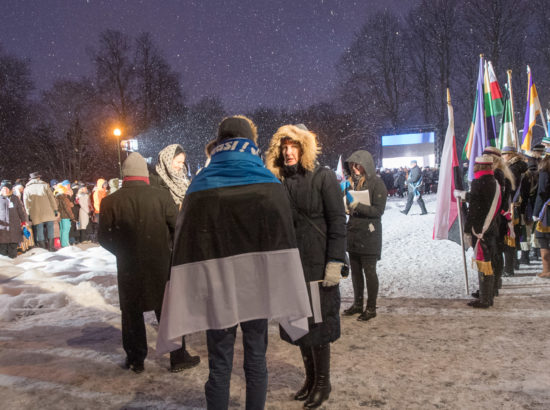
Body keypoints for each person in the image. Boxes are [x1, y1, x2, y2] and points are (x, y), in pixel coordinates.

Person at [156, 116, 311, 410]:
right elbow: (285, 240)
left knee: (220, 364)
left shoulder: (199, 185)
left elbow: (185, 241)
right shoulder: (269, 183)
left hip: (217, 287)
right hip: (258, 286)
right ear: (249, 143)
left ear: (219, 143)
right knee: (256, 359)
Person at [265, 123, 346, 409]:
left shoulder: (323, 177)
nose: (288, 152)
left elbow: (338, 222)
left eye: (293, 146)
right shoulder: (277, 182)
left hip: (318, 263)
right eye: (284, 147)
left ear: (304, 148)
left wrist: (335, 261)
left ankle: (323, 383)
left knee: (319, 325)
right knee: (299, 324)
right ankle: (311, 379)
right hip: (290, 266)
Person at [99, 153, 199, 374]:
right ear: (145, 173)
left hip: (128, 267)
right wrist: (167, 248)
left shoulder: (110, 201)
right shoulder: (161, 197)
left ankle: (136, 359)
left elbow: (103, 238)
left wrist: (123, 251)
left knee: (131, 313)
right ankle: (178, 357)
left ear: (124, 175)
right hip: (160, 265)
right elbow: (178, 227)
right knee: (168, 312)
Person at [341, 150, 387, 321]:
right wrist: (348, 206)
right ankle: (358, 304)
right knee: (355, 273)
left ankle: (371, 307)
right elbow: (352, 206)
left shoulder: (377, 183)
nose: (355, 167)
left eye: (358, 164)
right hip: (354, 234)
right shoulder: (353, 183)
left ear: (367, 165)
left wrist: (357, 206)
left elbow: (378, 210)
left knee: (369, 272)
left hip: (369, 235)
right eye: (353, 165)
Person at [456, 154, 501, 308]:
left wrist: (468, 229)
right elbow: (483, 200)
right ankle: (487, 295)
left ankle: (485, 299)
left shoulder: (478, 182)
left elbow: (475, 208)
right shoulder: (494, 181)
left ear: (478, 166)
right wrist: (465, 196)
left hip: (480, 229)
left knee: (484, 263)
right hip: (491, 227)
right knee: (489, 262)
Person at [23, 172, 58, 250]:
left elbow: (26, 203)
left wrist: (28, 214)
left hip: (36, 213)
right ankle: (51, 247)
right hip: (48, 210)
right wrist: (55, 209)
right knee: (50, 228)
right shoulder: (45, 185)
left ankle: (43, 248)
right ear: (38, 178)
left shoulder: (27, 189)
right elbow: (51, 199)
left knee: (39, 230)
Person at [149, 144, 191, 209]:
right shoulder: (155, 182)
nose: (181, 166)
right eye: (178, 162)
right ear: (168, 160)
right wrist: (177, 209)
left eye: (182, 162)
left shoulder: (184, 180)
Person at [533, 149, 550, 278]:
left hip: (548, 208)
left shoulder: (546, 168)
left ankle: (547, 270)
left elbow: (542, 191)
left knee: (542, 237)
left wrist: (536, 211)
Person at [0, 180, 28, 258]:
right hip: (3, 229)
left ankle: (14, 266)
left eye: (6, 188)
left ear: (10, 189)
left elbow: (21, 211)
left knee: (13, 249)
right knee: (2, 251)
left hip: (14, 228)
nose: (4, 190)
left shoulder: (15, 198)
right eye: (3, 188)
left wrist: (23, 222)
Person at [54, 184, 74, 248]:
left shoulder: (57, 197)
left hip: (60, 217)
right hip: (65, 216)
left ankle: (62, 243)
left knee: (62, 230)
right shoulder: (64, 198)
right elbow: (67, 208)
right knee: (66, 230)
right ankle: (65, 244)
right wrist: (72, 216)